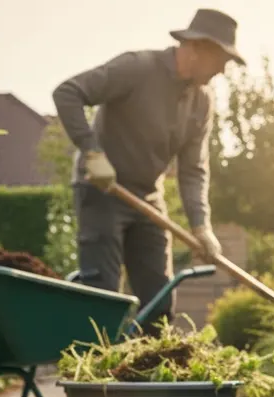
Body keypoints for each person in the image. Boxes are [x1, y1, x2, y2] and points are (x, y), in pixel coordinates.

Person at [52, 8, 244, 333]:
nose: (223, 71)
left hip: (147, 198)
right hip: (102, 190)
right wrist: (92, 152)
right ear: (197, 47)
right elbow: (68, 92)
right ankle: (97, 363)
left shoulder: (202, 101)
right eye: (221, 60)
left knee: (159, 300)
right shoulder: (137, 68)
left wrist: (201, 227)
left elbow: (193, 170)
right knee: (103, 297)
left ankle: (152, 363)